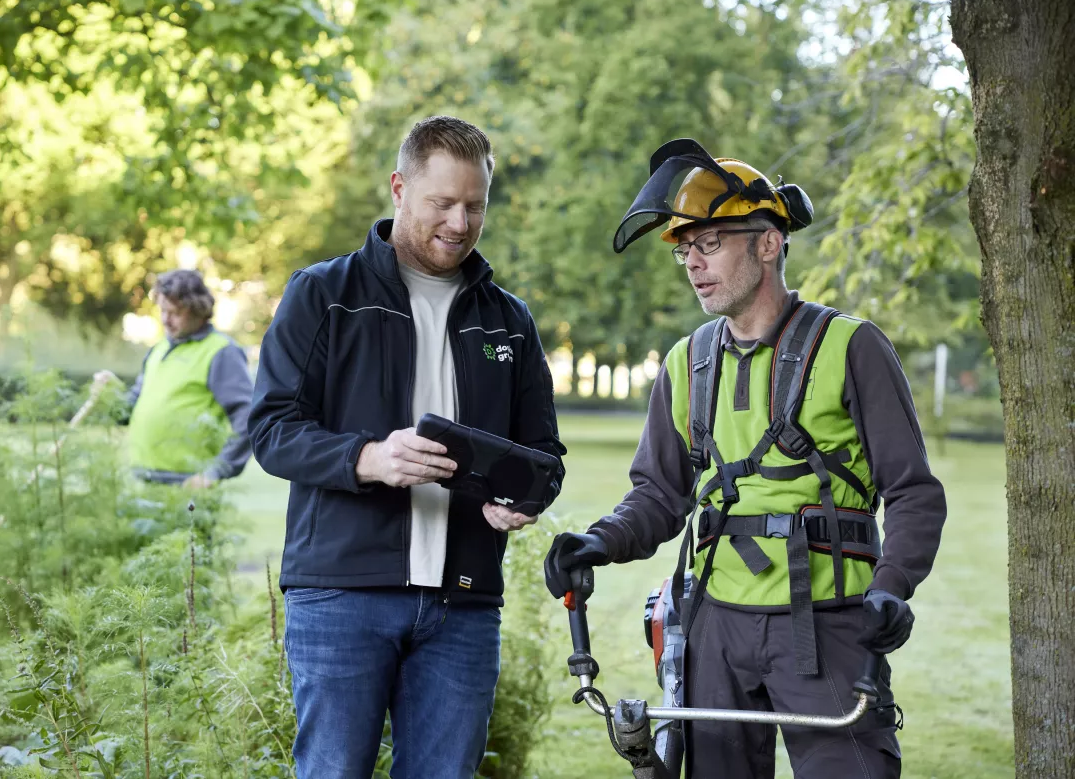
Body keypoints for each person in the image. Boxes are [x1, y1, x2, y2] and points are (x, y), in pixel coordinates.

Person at [543, 140, 947, 778]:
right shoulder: (685, 364)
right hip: (714, 629)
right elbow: (658, 495)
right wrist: (597, 541)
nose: (692, 265)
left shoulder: (852, 347)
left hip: (830, 627)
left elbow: (914, 493)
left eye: (709, 245)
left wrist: (891, 590)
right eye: (684, 250)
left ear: (767, 243)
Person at [248, 115, 566, 779]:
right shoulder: (323, 295)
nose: (460, 221)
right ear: (399, 189)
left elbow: (544, 453)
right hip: (342, 594)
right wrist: (369, 458)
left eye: (475, 206)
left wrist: (523, 499)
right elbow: (272, 428)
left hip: (465, 604)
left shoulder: (508, 320)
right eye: (442, 203)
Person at [92, 269, 253, 488]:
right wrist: (111, 393)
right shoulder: (158, 349)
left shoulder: (222, 352)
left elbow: (247, 420)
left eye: (176, 312)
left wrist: (214, 472)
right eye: (163, 311)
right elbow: (127, 412)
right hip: (143, 478)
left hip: (188, 484)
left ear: (198, 310)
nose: (166, 320)